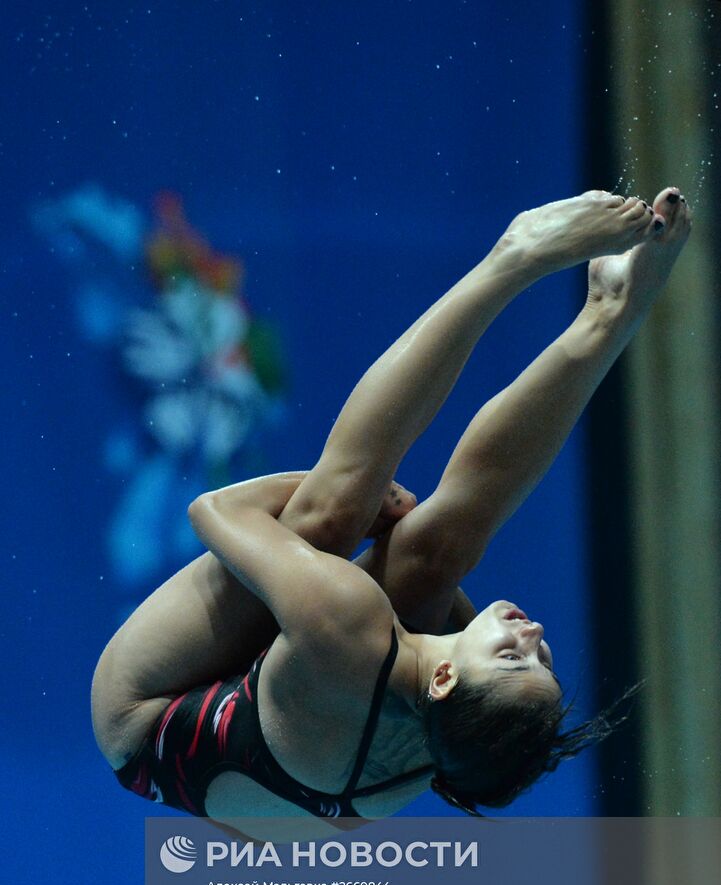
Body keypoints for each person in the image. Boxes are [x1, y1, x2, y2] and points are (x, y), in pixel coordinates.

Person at [91, 187, 691, 834]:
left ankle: (512, 257)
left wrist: (369, 493)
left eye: (514, 658)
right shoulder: (445, 728)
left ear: (438, 680)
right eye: (543, 660)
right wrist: (426, 553)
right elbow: (451, 570)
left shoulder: (347, 624)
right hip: (296, 743)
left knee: (330, 512)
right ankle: (608, 314)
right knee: (439, 549)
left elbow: (217, 510)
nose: (533, 636)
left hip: (151, 721)